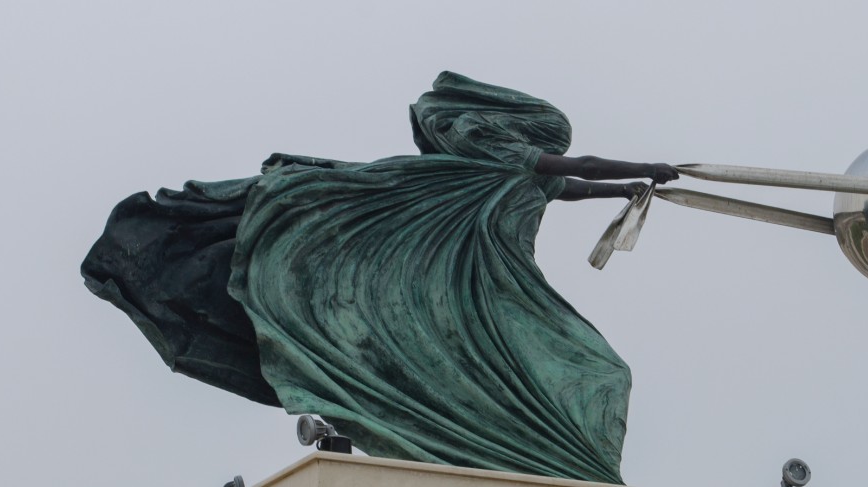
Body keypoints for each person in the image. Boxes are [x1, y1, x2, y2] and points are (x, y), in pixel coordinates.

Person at [81, 72, 674, 484]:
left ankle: (551, 462)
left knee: (598, 374)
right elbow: (578, 168)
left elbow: (570, 184)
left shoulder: (517, 164)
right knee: (596, 370)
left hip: (494, 288)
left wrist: (626, 190)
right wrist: (644, 166)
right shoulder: (487, 144)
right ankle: (533, 456)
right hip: (462, 287)